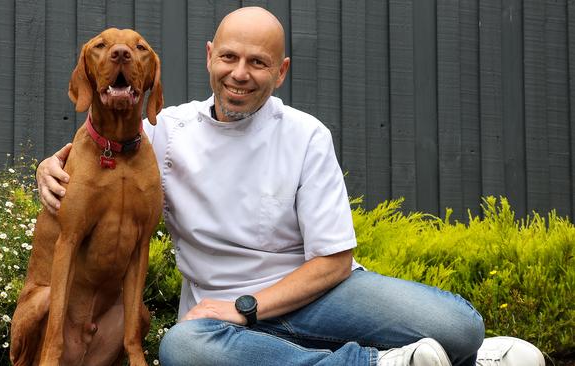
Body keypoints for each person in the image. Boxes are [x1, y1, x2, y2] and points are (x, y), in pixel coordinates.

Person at [37, 7, 544, 366]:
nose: (240, 75)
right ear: (210, 56)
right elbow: (99, 140)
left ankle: (475, 356)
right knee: (182, 350)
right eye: (229, 58)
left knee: (461, 327)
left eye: (258, 63)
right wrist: (47, 166)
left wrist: (250, 307)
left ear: (280, 72)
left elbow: (335, 262)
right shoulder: (167, 130)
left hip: (316, 294)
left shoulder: (306, 134)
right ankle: (380, 364)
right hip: (216, 316)